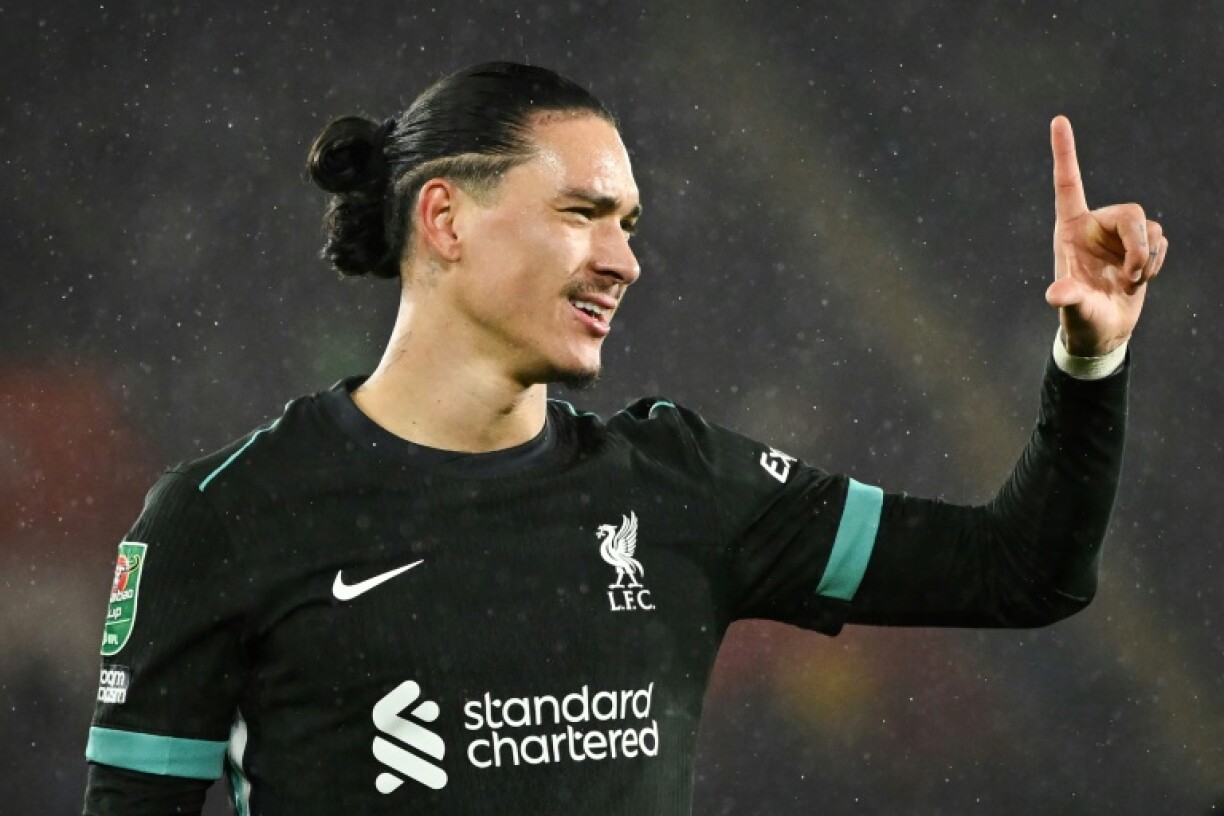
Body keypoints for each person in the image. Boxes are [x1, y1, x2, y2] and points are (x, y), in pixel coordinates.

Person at [82, 62, 1166, 815]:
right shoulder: (225, 516)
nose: (624, 260)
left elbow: (1026, 571)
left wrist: (1090, 357)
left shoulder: (681, 488)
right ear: (445, 219)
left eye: (631, 225)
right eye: (582, 214)